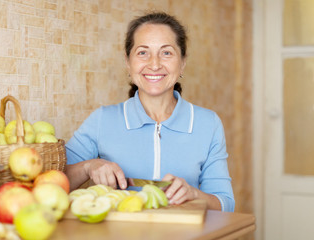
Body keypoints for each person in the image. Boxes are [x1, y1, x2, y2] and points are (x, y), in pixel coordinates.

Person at [65, 12, 235, 212]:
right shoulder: (102, 120)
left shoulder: (208, 123)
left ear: (182, 63)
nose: (154, 64)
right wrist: (88, 167)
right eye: (143, 52)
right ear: (128, 63)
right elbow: (53, 183)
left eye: (166, 53)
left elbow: (226, 204)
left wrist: (194, 194)